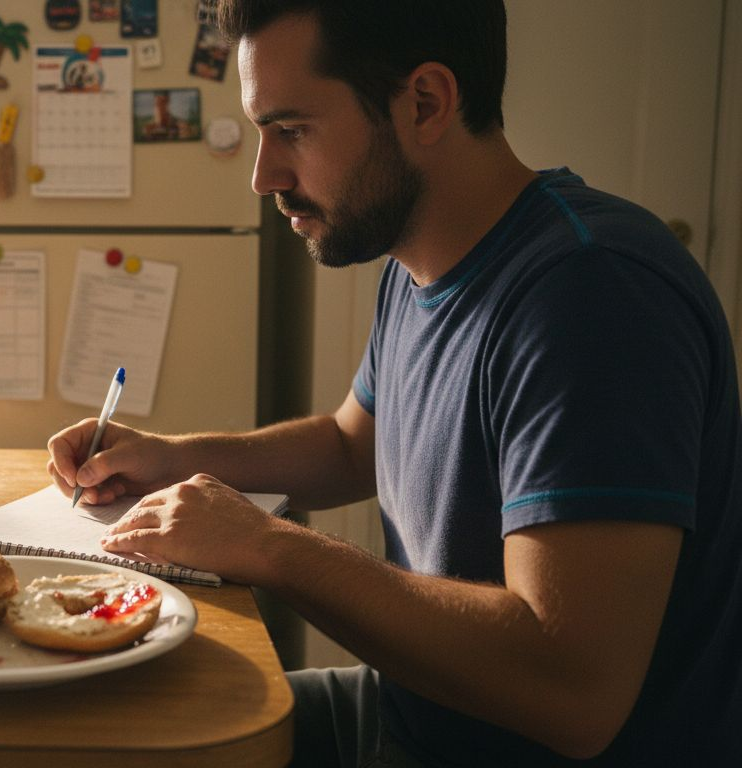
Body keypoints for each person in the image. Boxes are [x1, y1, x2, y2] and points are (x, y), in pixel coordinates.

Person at [45, 1, 742, 766]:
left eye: (293, 130)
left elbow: (573, 692)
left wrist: (266, 546)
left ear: (426, 103)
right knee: (104, 729)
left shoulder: (591, 295)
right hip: (417, 712)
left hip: (493, 748)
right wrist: (169, 455)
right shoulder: (417, 264)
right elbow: (352, 445)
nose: (263, 175)